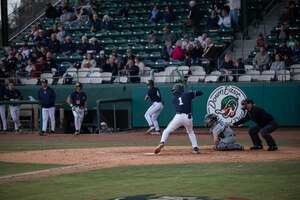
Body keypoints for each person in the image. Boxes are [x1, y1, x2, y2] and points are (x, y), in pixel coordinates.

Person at [154, 84, 203, 154]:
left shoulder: (173, 98)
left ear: (176, 90)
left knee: (166, 131)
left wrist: (190, 94)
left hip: (178, 117)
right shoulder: (187, 94)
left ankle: (162, 142)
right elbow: (200, 93)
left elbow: (183, 100)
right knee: (190, 132)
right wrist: (192, 93)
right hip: (188, 117)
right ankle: (195, 148)